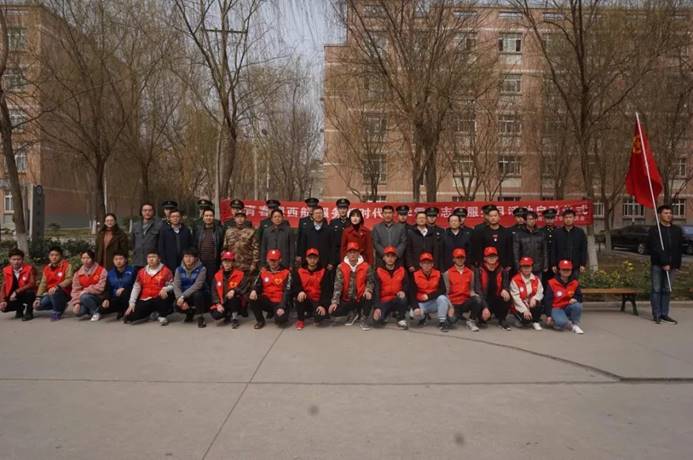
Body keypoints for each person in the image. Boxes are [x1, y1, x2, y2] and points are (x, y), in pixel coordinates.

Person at [647, 204, 683, 324]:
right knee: (656, 289)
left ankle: (664, 313)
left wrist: (676, 265)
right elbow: (653, 248)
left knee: (667, 289)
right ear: (660, 215)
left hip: (672, 266)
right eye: (666, 213)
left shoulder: (677, 230)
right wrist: (664, 262)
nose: (669, 215)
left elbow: (679, 248)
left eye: (670, 213)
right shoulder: (654, 230)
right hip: (657, 265)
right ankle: (656, 314)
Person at [330, 242, 374, 330]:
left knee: (369, 296)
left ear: (358, 253)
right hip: (348, 299)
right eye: (350, 252)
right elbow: (338, 285)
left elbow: (371, 281)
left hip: (361, 297)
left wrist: (368, 290)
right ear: (347, 254)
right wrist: (334, 302)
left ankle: (364, 318)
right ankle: (353, 313)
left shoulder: (366, 266)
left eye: (355, 252)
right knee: (334, 311)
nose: (353, 254)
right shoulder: (340, 267)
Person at [124, 250, 174, 325]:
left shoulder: (166, 271)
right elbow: (136, 288)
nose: (151, 259)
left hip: (159, 298)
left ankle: (162, 315)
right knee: (129, 317)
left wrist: (165, 289)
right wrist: (131, 303)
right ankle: (152, 313)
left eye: (153, 257)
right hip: (145, 299)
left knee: (165, 295)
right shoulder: (141, 272)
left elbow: (173, 285)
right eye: (149, 257)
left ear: (159, 259)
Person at [249, 249, 291, 329]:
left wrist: (282, 306)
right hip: (267, 300)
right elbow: (257, 284)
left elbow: (287, 291)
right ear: (267, 260)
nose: (273, 262)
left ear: (280, 260)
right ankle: (260, 321)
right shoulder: (263, 271)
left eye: (275, 260)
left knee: (280, 320)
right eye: (271, 260)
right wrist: (254, 290)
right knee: (252, 298)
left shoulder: (286, 272)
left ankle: (278, 313)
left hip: (279, 301)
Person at [292, 248, 333, 330]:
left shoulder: (324, 272)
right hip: (306, 299)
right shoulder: (299, 271)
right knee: (299, 296)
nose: (312, 260)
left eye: (314, 258)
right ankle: (300, 320)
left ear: (318, 259)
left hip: (318, 301)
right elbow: (295, 286)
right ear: (306, 259)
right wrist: (300, 291)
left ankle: (316, 313)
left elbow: (326, 291)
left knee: (319, 317)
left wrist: (322, 305)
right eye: (310, 258)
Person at [443, 248, 482, 332]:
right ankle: (457, 315)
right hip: (453, 303)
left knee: (478, 299)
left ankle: (471, 321)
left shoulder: (470, 273)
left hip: (465, 302)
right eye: (458, 257)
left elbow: (471, 290)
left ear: (465, 259)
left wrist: (476, 297)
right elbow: (446, 292)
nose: (460, 260)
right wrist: (450, 307)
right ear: (454, 259)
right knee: (452, 320)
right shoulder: (447, 273)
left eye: (462, 257)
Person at [411, 252, 450, 332]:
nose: (426, 265)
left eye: (428, 263)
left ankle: (442, 322)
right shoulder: (415, 275)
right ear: (420, 264)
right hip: (422, 303)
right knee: (413, 314)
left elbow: (443, 290)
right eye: (424, 263)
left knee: (443, 298)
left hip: (434, 302)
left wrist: (429, 296)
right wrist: (415, 307)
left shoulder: (438, 273)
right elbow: (411, 294)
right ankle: (423, 317)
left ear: (432, 264)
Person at [475, 246, 512, 330]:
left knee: (507, 295)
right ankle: (482, 317)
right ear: (485, 258)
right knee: (478, 302)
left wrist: (505, 289)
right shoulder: (479, 270)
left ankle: (502, 319)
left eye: (494, 256)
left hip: (497, 299)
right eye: (489, 256)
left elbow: (506, 284)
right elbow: (478, 290)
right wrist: (485, 307)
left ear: (497, 257)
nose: (492, 258)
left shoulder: (502, 270)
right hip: (484, 299)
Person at [372, 246, 409, 329]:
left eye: (392, 256)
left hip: (397, 299)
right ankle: (385, 314)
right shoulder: (378, 271)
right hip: (384, 301)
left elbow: (406, 284)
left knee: (403, 299)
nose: (390, 259)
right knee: (376, 321)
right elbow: (376, 290)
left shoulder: (402, 270)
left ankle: (401, 318)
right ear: (384, 258)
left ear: (396, 258)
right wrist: (377, 307)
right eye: (388, 256)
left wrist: (403, 291)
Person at [33, 246, 73, 321]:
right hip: (50, 293)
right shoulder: (46, 268)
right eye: (52, 255)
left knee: (55, 292)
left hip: (63, 292)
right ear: (49, 256)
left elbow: (69, 279)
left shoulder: (67, 265)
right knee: (37, 306)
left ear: (61, 256)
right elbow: (43, 283)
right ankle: (62, 306)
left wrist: (57, 287)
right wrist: (38, 297)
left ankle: (57, 311)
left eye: (56, 255)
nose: (54, 257)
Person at [210, 251, 249, 328]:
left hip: (236, 301)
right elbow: (213, 291)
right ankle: (227, 314)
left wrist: (234, 290)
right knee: (216, 315)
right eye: (225, 261)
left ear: (232, 262)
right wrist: (218, 304)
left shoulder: (240, 274)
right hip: (223, 301)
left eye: (229, 261)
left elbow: (245, 288)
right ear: (222, 262)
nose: (227, 264)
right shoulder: (217, 275)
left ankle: (234, 318)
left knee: (234, 298)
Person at [544, 259, 584, 334]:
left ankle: (574, 324)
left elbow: (580, 297)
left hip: (567, 306)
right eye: (564, 269)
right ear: (559, 270)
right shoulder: (552, 282)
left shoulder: (575, 282)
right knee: (561, 325)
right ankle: (555, 321)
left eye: (568, 269)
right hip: (556, 308)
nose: (566, 271)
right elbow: (547, 300)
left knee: (577, 306)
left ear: (571, 271)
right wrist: (548, 315)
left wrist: (575, 299)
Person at [173, 247, 209, 328]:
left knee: (197, 294)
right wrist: (179, 298)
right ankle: (189, 313)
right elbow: (176, 286)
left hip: (200, 295)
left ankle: (200, 317)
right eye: (186, 256)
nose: (188, 259)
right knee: (176, 304)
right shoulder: (178, 270)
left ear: (195, 258)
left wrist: (183, 296)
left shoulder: (202, 269)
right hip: (185, 295)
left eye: (190, 256)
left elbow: (197, 285)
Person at [69, 250, 107, 321]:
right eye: (83, 258)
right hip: (84, 298)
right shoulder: (78, 273)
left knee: (85, 297)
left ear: (92, 258)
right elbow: (75, 290)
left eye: (88, 258)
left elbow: (101, 287)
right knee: (78, 312)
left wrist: (87, 290)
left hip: (99, 297)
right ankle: (93, 309)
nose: (85, 260)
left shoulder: (101, 270)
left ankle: (96, 312)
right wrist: (76, 303)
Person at [0, 248, 37, 321]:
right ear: (10, 260)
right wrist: (2, 300)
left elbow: (32, 283)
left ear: (22, 260)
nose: (16, 262)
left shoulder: (29, 268)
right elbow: (3, 286)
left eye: (18, 259)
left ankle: (29, 312)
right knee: (4, 308)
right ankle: (20, 308)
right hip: (13, 295)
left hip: (25, 293)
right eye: (14, 259)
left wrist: (16, 292)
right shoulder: (5, 270)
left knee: (30, 293)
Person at [509, 257, 544, 330]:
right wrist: (524, 310)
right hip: (519, 305)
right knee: (526, 321)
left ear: (532, 267)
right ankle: (520, 319)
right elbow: (516, 298)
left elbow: (540, 292)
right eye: (524, 267)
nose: (526, 269)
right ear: (521, 268)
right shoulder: (515, 280)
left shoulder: (536, 279)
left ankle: (535, 321)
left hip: (531, 303)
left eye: (528, 266)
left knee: (539, 304)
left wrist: (535, 298)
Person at [296, 206, 335, 271]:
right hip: (310, 263)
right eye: (316, 213)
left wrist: (331, 262)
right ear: (313, 215)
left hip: (325, 263)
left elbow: (333, 247)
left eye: (320, 213)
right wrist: (304, 261)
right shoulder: (307, 229)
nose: (318, 215)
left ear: (323, 215)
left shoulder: (329, 229)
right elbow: (303, 246)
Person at [552, 208, 587, 277]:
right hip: (560, 266)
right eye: (566, 217)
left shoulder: (580, 232)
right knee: (560, 283)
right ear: (563, 219)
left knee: (574, 283)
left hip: (575, 266)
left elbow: (583, 249)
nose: (568, 219)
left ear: (574, 218)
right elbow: (553, 249)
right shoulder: (557, 232)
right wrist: (553, 264)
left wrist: (583, 264)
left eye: (570, 217)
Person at [223, 208, 260, 275]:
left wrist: (254, 264)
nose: (240, 219)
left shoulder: (251, 232)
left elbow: (256, 249)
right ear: (234, 219)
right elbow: (225, 249)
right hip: (232, 265)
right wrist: (225, 263)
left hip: (246, 265)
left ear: (245, 218)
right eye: (237, 217)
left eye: (242, 217)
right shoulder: (229, 231)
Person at [100, 252, 135, 320]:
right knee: (102, 308)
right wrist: (106, 299)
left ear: (125, 260)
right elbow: (108, 288)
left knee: (125, 293)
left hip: (128, 296)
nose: (118, 261)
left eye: (121, 259)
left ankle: (124, 311)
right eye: (116, 259)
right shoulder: (110, 273)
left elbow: (136, 286)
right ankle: (120, 310)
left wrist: (124, 289)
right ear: (113, 261)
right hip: (115, 297)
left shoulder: (133, 271)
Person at [193, 207, 224, 284]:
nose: (208, 218)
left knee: (213, 282)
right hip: (201, 261)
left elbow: (222, 246)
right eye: (206, 216)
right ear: (203, 217)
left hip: (214, 262)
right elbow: (195, 245)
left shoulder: (220, 230)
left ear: (213, 217)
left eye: (210, 216)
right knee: (201, 282)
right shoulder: (198, 230)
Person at [513, 210, 548, 275]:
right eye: (529, 219)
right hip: (524, 266)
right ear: (525, 221)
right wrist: (517, 266)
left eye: (533, 219)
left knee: (537, 281)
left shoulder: (541, 234)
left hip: (538, 266)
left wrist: (545, 265)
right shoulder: (518, 234)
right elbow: (516, 252)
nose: (531, 221)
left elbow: (545, 251)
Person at [131, 202, 163, 269]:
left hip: (153, 261)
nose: (147, 212)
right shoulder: (135, 225)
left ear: (153, 212)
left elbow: (161, 244)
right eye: (145, 210)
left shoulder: (159, 225)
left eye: (150, 210)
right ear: (141, 212)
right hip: (138, 260)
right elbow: (133, 242)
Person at [296, 197, 320, 265]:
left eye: (313, 206)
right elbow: (299, 238)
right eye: (309, 207)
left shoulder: (322, 220)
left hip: (318, 251)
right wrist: (298, 254)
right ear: (307, 208)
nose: (311, 208)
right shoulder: (303, 221)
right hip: (305, 251)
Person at [539, 208, 558, 286]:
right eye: (548, 218)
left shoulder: (559, 230)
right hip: (544, 262)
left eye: (552, 218)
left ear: (555, 218)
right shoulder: (540, 231)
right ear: (544, 219)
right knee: (544, 283)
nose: (550, 220)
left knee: (556, 283)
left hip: (556, 261)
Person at [330, 198, 351, 264]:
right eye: (340, 208)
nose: (342, 210)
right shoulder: (333, 222)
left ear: (347, 209)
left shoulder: (351, 222)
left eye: (344, 208)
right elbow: (330, 240)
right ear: (338, 209)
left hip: (349, 253)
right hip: (336, 254)